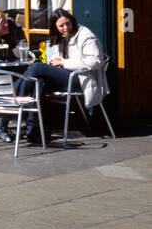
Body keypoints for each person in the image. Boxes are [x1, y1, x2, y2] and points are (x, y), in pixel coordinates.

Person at [16, 9, 108, 143]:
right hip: (66, 75)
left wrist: (64, 62)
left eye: (68, 23)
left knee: (37, 67)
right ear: (55, 27)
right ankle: (34, 130)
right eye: (61, 26)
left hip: (81, 79)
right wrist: (55, 61)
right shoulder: (60, 37)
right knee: (39, 82)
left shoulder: (86, 35)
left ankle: (11, 99)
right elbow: (55, 56)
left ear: (72, 21)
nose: (66, 28)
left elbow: (95, 61)